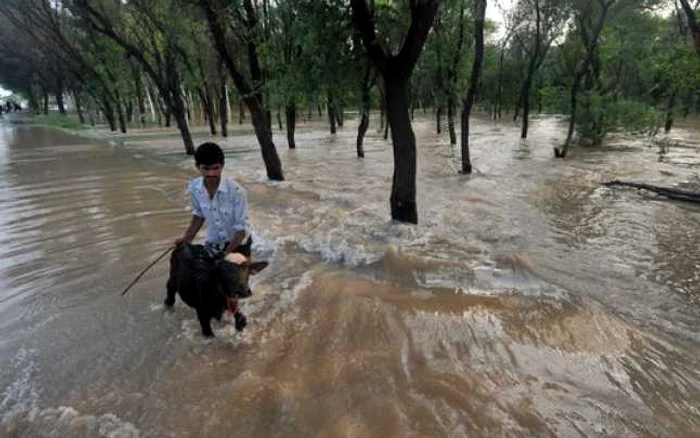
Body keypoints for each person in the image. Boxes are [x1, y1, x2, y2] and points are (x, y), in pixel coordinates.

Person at [174, 142, 252, 326]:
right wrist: (186, 239)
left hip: (238, 242)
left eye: (215, 168)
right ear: (198, 167)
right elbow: (198, 215)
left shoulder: (237, 192)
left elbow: (241, 229)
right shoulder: (194, 188)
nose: (211, 174)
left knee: (231, 285)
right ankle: (215, 309)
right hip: (214, 241)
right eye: (205, 169)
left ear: (222, 165)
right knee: (206, 279)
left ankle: (237, 313)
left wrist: (227, 256)